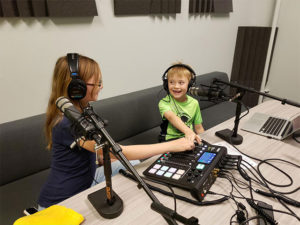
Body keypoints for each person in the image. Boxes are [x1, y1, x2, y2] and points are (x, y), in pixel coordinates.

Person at [38, 54, 195, 210]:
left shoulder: (81, 111)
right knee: (126, 161)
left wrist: (101, 157)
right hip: (63, 199)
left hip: (86, 179)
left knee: (133, 165)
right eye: (97, 83)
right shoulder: (66, 122)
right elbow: (117, 152)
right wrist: (172, 145)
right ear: (77, 88)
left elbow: (93, 150)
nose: (101, 86)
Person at [158, 63, 205, 143]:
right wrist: (189, 132)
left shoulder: (194, 103)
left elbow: (199, 128)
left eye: (181, 83)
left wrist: (204, 143)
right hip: (169, 141)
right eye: (171, 82)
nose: (176, 86)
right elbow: (172, 117)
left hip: (189, 139)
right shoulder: (164, 103)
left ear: (190, 84)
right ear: (166, 84)